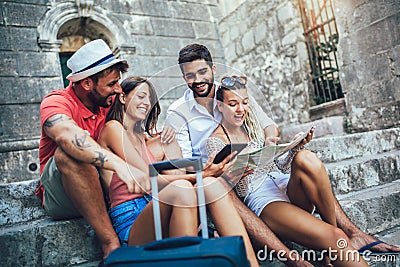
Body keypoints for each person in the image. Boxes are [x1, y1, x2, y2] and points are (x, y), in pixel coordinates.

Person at [164, 43, 400, 266]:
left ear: (212, 69)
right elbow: (186, 167)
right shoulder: (182, 115)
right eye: (189, 75)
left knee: (307, 158)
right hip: (241, 191)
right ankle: (319, 247)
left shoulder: (235, 96)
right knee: (332, 236)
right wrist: (220, 171)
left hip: (280, 180)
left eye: (202, 72)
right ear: (220, 106)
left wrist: (284, 145)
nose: (196, 80)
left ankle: (347, 235)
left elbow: (268, 127)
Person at [207, 75, 372, 267]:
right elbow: (227, 191)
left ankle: (331, 246)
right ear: (219, 106)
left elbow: (279, 166)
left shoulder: (252, 126)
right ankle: (333, 243)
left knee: (306, 157)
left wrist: (294, 147)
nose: (241, 109)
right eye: (233, 104)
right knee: (336, 237)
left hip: (284, 183)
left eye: (244, 103)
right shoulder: (215, 141)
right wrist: (234, 174)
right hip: (263, 198)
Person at [97, 76, 259, 267]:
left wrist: (204, 172)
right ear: (123, 98)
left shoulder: (145, 140)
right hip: (132, 220)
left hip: (162, 208)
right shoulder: (113, 129)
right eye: (141, 96)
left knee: (210, 185)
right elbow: (147, 180)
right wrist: (202, 173)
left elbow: (173, 177)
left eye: (149, 98)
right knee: (183, 187)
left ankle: (251, 264)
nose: (146, 103)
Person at [35, 39, 154, 260]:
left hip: (102, 186)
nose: (118, 89)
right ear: (87, 84)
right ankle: (110, 243)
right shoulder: (57, 101)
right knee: (70, 152)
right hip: (62, 193)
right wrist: (118, 163)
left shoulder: (105, 104)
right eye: (111, 84)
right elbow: (66, 134)